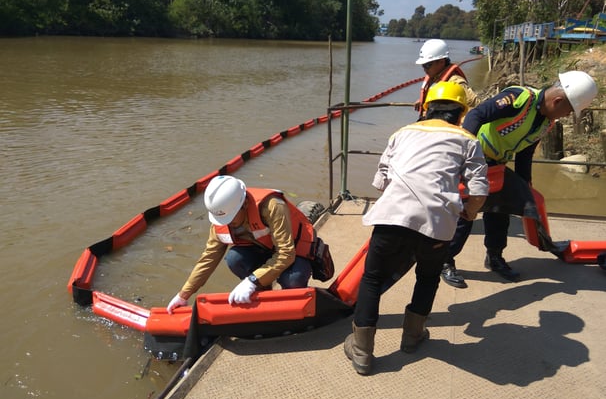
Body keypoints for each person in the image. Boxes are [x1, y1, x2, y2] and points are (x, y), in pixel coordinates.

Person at [343, 81, 489, 375]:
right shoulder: (468, 139)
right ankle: (412, 337)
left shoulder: (402, 133)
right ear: (461, 113)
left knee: (372, 279)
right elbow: (479, 189)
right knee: (427, 276)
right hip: (437, 225)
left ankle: (362, 351)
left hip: (391, 219)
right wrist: (469, 214)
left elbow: (380, 180)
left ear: (426, 108)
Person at [441, 70, 599, 288]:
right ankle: (445, 261)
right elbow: (476, 115)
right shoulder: (518, 98)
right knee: (466, 215)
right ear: (558, 100)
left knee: (501, 211)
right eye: (568, 111)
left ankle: (494, 257)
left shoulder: (546, 123)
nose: (566, 116)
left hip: (497, 166)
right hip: (474, 159)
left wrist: (526, 186)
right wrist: (463, 155)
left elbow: (525, 154)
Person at [166, 175, 315, 312]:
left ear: (244, 204)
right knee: (234, 259)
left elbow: (286, 254)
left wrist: (251, 281)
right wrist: (183, 295)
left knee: (293, 279)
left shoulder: (272, 206)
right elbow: (208, 258)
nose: (228, 223)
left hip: (294, 250)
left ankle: (296, 307)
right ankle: (263, 297)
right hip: (264, 249)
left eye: (231, 218)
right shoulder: (221, 217)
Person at [414, 38, 479, 119]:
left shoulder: (456, 82)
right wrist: (424, 100)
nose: (424, 69)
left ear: (441, 62)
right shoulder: (434, 77)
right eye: (423, 65)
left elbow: (475, 107)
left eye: (428, 65)